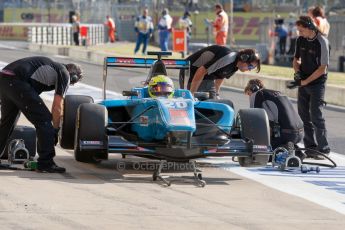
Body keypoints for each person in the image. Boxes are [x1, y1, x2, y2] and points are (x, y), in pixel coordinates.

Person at [0, 56, 83, 172]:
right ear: (73, 76)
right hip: (17, 81)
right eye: (73, 83)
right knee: (44, 120)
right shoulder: (64, 73)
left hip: (4, 78)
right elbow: (57, 107)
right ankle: (46, 163)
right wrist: (55, 129)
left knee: (7, 122)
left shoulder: (51, 68)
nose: (71, 85)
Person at [287, 15, 330, 158]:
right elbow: (295, 59)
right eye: (298, 31)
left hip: (317, 83)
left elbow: (322, 69)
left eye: (301, 30)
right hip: (304, 81)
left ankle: (323, 149)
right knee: (304, 116)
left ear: (310, 28)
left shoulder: (322, 42)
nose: (299, 33)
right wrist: (298, 73)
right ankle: (311, 148)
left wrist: (306, 82)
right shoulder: (300, 40)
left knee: (316, 116)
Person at [244, 79, 304, 155]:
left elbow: (262, 122)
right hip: (300, 134)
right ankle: (292, 149)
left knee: (262, 153)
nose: (249, 97)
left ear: (252, 88)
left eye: (249, 94)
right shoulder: (275, 93)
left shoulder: (257, 94)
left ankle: (284, 147)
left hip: (286, 135)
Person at [185, 45, 261, 98]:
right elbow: (201, 71)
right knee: (202, 102)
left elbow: (220, 77)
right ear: (244, 59)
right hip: (190, 69)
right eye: (250, 66)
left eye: (252, 68)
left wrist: (217, 94)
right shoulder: (229, 58)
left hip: (205, 76)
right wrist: (191, 93)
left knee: (213, 100)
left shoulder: (235, 67)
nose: (250, 69)